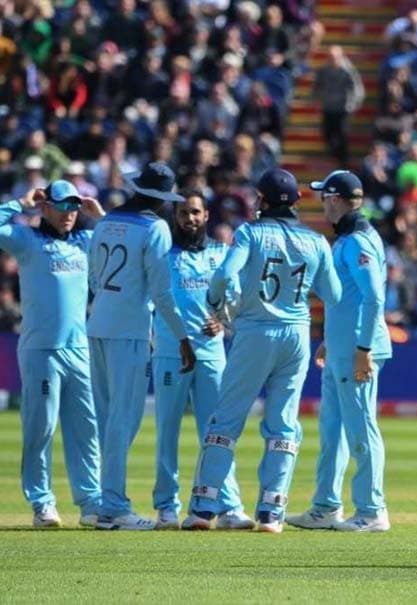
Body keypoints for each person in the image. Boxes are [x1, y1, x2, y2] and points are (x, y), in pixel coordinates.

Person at [184, 168, 341, 533]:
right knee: (283, 424)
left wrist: (215, 303)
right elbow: (334, 295)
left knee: (226, 420)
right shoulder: (316, 241)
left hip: (255, 332)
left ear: (262, 201)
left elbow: (224, 275)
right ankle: (272, 511)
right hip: (297, 335)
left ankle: (204, 508)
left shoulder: (251, 233)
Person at [88, 162, 196, 531]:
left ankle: (107, 502)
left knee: (108, 420)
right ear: (162, 198)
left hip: (98, 323)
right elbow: (163, 293)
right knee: (124, 419)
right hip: (129, 331)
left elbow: (92, 277)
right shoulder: (156, 227)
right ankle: (113, 508)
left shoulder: (104, 222)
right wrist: (182, 336)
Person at [286, 170, 393, 532]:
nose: (321, 204)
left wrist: (362, 348)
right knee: (332, 429)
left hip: (357, 352)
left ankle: (371, 510)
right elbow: (347, 298)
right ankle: (326, 506)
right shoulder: (348, 239)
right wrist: (332, 339)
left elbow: (374, 297)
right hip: (342, 349)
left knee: (361, 427)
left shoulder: (359, 241)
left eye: (323, 197)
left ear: (334, 199)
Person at [0, 181, 105, 528]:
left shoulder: (85, 242)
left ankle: (91, 503)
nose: (70, 214)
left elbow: (123, 245)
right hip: (41, 350)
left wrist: (100, 216)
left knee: (86, 430)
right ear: (45, 207)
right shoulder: (27, 241)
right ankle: (42, 503)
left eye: (74, 207)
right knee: (41, 427)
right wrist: (20, 202)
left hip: (78, 351)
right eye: (62, 207)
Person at [151, 190, 253, 530]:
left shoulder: (222, 255)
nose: (189, 219)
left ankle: (229, 506)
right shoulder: (162, 256)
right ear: (174, 217)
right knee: (167, 432)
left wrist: (223, 320)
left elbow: (237, 299)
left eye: (195, 212)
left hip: (212, 355)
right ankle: (166, 506)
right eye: (183, 213)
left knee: (218, 433)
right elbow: (151, 302)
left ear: (206, 215)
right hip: (170, 354)